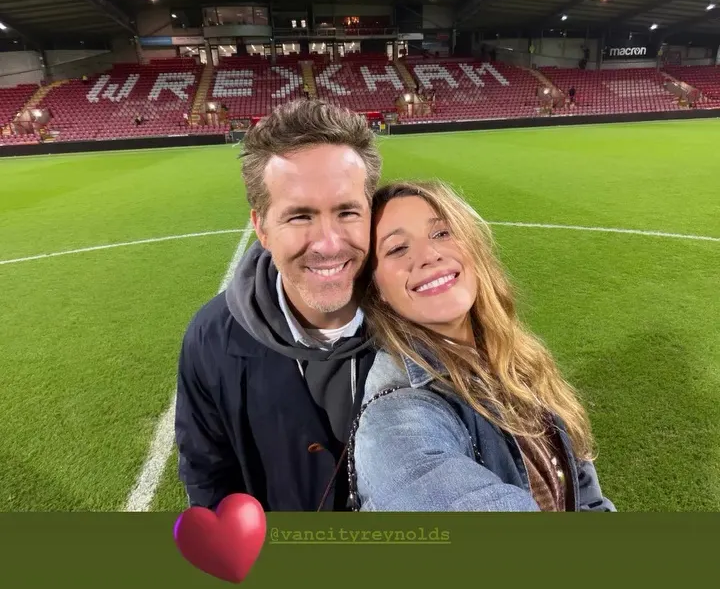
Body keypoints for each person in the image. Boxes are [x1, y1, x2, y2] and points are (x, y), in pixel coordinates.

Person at [349, 180, 615, 512]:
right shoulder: (395, 412)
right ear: (378, 291)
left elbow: (585, 495)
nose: (428, 255)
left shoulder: (516, 356)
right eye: (397, 249)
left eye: (441, 233)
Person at [175, 98, 382, 511]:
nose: (328, 243)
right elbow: (208, 474)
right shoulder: (210, 338)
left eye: (347, 211)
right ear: (262, 228)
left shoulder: (421, 324)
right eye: (300, 216)